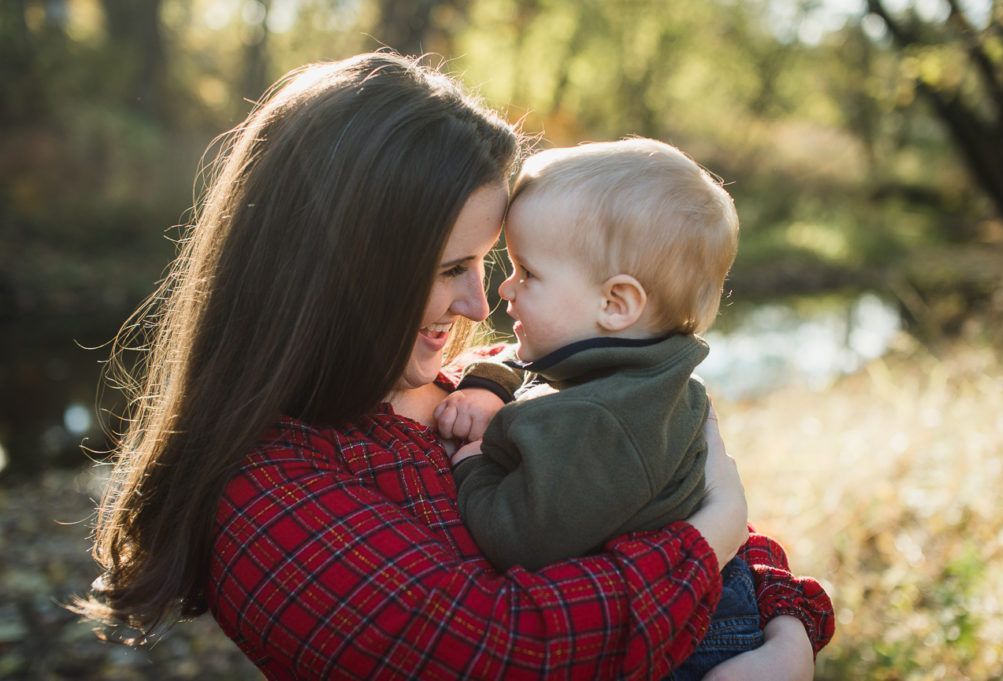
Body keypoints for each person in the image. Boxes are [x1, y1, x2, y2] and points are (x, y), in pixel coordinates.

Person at [73, 53, 834, 680]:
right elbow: (508, 649)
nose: (480, 303)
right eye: (450, 269)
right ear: (337, 272)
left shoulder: (477, 379)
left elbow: (664, 488)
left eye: (492, 262)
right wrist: (712, 535)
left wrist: (785, 634)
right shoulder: (272, 502)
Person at [435, 138, 774, 679]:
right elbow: (527, 370)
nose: (505, 289)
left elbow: (520, 537)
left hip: (690, 645)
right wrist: (489, 385)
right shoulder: (632, 374)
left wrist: (473, 463)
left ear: (615, 305)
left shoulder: (606, 421)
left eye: (528, 273)